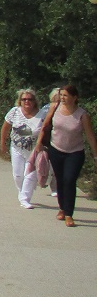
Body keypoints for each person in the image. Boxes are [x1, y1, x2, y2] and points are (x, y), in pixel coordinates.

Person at [40, 85, 97, 227]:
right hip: (56, 150)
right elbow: (45, 126)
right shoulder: (54, 108)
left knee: (69, 180)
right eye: (61, 95)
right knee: (60, 180)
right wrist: (38, 145)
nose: (62, 98)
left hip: (75, 153)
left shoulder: (82, 115)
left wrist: (96, 156)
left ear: (75, 97)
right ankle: (62, 208)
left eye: (65, 95)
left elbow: (90, 136)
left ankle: (69, 214)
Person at [0, 88, 43, 208]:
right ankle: (22, 191)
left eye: (29, 99)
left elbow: (46, 131)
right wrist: (2, 143)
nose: (26, 101)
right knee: (18, 175)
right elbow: (5, 128)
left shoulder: (41, 115)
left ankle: (25, 199)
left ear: (34, 101)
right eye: (24, 99)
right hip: (16, 148)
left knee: (29, 174)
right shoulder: (14, 112)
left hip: (34, 149)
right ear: (20, 101)